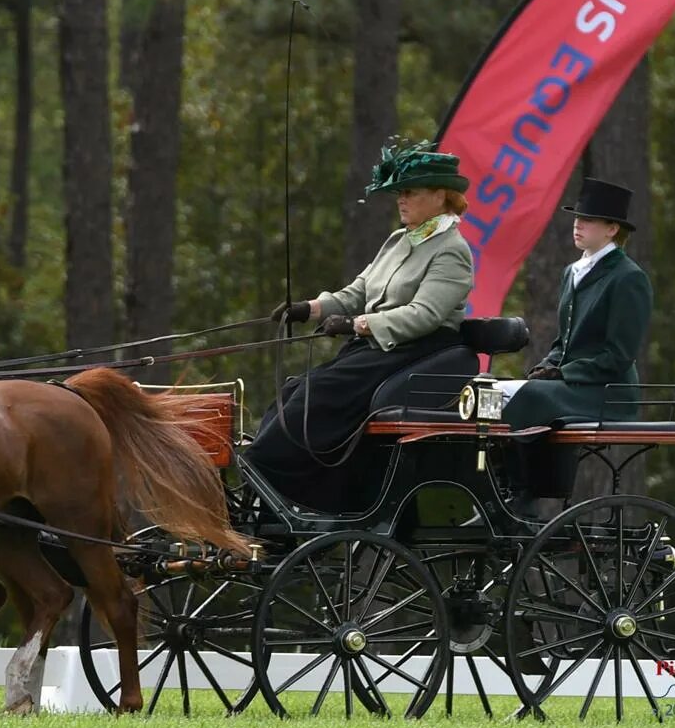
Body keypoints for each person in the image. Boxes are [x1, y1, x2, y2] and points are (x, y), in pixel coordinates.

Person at [245, 144, 474, 508]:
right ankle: (269, 490)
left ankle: (285, 484)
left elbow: (425, 314)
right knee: (294, 391)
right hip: (375, 349)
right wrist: (310, 308)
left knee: (315, 396)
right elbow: (358, 291)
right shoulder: (399, 240)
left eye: (409, 192)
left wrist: (360, 323)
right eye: (399, 192)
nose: (401, 200)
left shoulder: (452, 250)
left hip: (415, 352)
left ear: (439, 195)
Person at [500, 177, 653, 508]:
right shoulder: (572, 272)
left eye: (588, 220)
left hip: (606, 392)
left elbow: (619, 356)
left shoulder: (628, 278)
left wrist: (564, 373)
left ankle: (523, 501)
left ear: (612, 229)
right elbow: (564, 340)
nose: (577, 225)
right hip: (573, 386)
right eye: (576, 218)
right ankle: (503, 493)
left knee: (526, 396)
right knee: (492, 391)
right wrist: (548, 365)